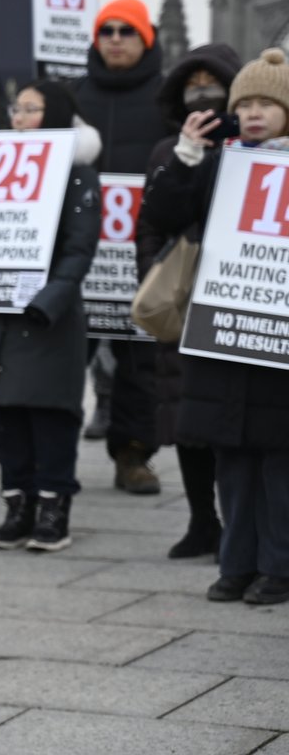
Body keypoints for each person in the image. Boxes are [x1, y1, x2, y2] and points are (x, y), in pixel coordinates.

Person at [142, 47, 289, 605]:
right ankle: (237, 562)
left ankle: (278, 565)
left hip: (275, 335)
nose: (253, 112)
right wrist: (185, 158)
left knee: (279, 459)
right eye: (245, 102)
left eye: (267, 104)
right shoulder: (215, 161)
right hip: (221, 329)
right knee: (232, 456)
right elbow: (160, 216)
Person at [0, 81, 101, 553]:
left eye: (32, 109)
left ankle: (53, 506)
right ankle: (17, 504)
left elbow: (80, 249)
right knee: (6, 416)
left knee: (50, 415)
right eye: (16, 108)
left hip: (46, 318)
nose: (19, 116)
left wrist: (49, 300)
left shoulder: (78, 174)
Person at [138, 43, 242, 559]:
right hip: (187, 300)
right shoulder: (169, 151)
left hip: (242, 299)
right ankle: (204, 520)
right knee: (188, 417)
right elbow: (154, 221)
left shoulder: (258, 146)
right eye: (192, 81)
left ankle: (242, 527)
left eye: (212, 80)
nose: (202, 89)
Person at [73, 0, 170, 489]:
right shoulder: (73, 95)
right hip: (79, 253)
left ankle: (133, 454)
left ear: (145, 39)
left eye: (125, 31)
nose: (114, 38)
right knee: (65, 353)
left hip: (138, 250)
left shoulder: (165, 98)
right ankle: (52, 456)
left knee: (138, 359)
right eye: (106, 30)